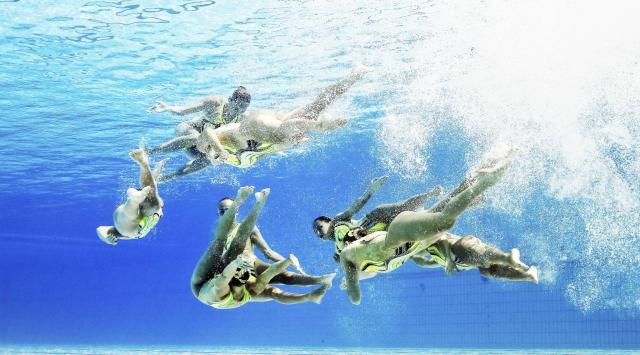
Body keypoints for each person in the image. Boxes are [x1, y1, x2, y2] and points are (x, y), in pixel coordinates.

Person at [336, 150, 522, 304]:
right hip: (417, 241)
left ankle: (485, 182)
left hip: (400, 232)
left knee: (445, 219)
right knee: (448, 212)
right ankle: (495, 162)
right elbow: (365, 277)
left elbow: (355, 296)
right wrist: (353, 279)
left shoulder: (354, 250)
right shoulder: (369, 263)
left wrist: (351, 281)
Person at [194, 65, 371, 168]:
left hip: (251, 126)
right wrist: (289, 144)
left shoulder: (210, 145)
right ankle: (354, 75)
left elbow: (207, 132)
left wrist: (217, 150)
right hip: (265, 128)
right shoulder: (237, 160)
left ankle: (318, 126)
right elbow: (266, 150)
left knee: (281, 132)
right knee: (315, 107)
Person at [191, 186, 333, 309]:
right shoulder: (219, 231)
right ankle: (310, 294)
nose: (225, 213)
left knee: (286, 276)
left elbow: (268, 252)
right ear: (218, 213)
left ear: (237, 211)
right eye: (222, 211)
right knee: (272, 291)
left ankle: (321, 280)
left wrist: (292, 264)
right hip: (233, 274)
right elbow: (221, 272)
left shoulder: (248, 229)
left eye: (228, 210)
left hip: (249, 264)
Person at [313, 175, 444, 259]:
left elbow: (356, 206)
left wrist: (371, 190)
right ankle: (438, 213)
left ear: (328, 220)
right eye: (316, 233)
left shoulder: (338, 221)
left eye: (319, 227)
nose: (319, 232)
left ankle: (430, 194)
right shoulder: (338, 249)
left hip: (375, 218)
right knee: (417, 223)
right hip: (380, 236)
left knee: (403, 207)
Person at [143, 86, 252, 182]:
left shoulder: (242, 118)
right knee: (196, 137)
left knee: (208, 160)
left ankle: (167, 177)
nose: (240, 110)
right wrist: (168, 108)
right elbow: (183, 111)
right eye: (238, 106)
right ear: (230, 100)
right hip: (188, 129)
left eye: (244, 108)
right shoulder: (215, 103)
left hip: (203, 143)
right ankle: (150, 152)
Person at [97, 142, 166, 245]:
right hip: (130, 221)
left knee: (134, 215)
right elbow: (101, 229)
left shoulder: (154, 205)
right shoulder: (155, 204)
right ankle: (134, 198)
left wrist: (106, 239)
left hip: (127, 224)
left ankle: (134, 198)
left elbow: (101, 229)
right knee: (151, 204)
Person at [409, 232, 539, 283]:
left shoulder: (427, 240)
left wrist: (449, 260)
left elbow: (444, 239)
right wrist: (408, 257)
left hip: (461, 245)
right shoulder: (435, 260)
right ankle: (528, 276)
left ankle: (508, 258)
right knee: (488, 271)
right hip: (468, 261)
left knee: (481, 256)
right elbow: (422, 262)